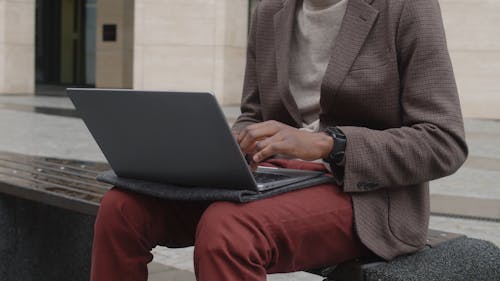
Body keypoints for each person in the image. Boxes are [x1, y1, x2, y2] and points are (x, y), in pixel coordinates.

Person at [90, 0, 468, 280]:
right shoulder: (270, 11)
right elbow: (252, 114)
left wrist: (329, 144)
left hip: (365, 194)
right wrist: (235, 147)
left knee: (229, 228)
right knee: (121, 207)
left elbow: (443, 141)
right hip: (270, 179)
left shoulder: (405, 8)